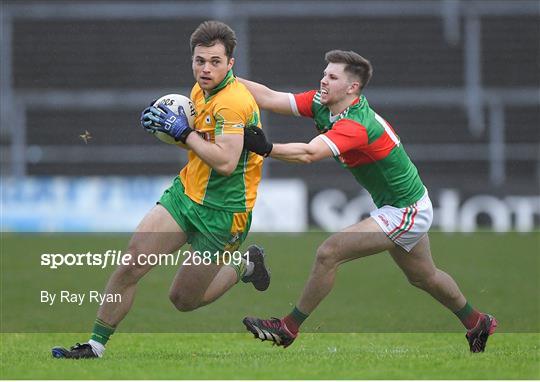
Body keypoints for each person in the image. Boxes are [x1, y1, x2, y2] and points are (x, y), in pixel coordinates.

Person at [240, 50, 497, 353]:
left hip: (406, 210)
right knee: (425, 277)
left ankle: (288, 328)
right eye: (325, 73)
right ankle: (478, 322)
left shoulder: (357, 124)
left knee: (328, 253)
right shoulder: (324, 104)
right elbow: (270, 98)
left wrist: (265, 148)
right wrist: (226, 80)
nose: (323, 79)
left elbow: (309, 154)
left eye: (332, 77)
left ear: (352, 88)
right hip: (405, 205)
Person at [51, 20, 270, 359]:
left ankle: (246, 266)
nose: (205, 68)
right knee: (130, 265)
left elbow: (225, 163)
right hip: (185, 195)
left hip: (224, 214)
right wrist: (165, 129)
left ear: (231, 64)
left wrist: (183, 133)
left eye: (215, 61)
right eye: (200, 60)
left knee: (182, 300)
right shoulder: (200, 92)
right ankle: (94, 346)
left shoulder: (233, 102)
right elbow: (201, 146)